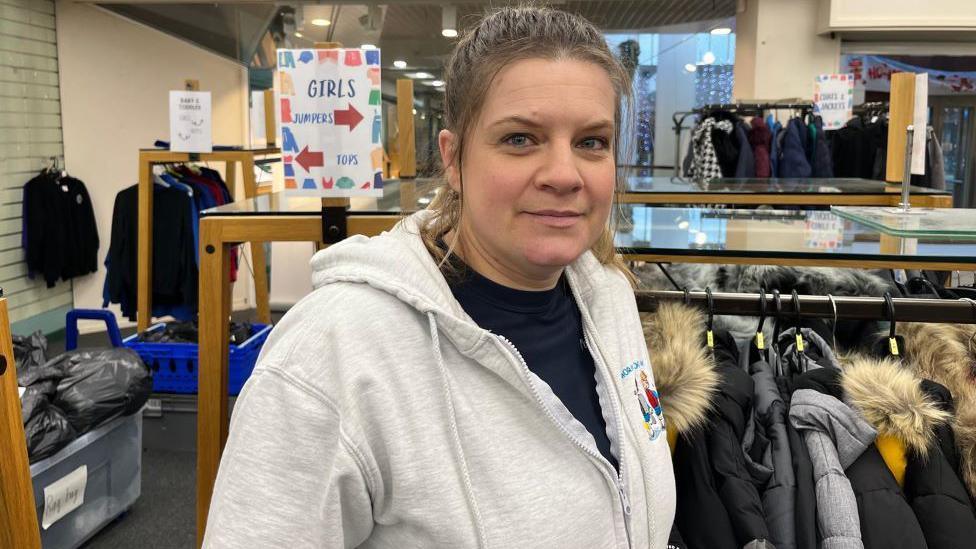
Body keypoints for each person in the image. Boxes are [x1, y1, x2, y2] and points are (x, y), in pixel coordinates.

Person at [203, 6, 675, 548]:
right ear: (454, 159)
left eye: (592, 142)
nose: (565, 175)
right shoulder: (333, 354)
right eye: (521, 139)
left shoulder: (608, 295)